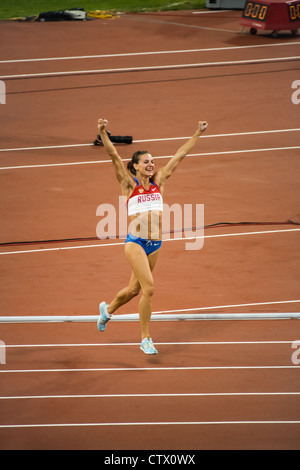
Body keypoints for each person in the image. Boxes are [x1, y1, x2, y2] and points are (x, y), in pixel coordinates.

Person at [97, 118, 208, 354]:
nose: (151, 164)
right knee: (149, 289)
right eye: (145, 162)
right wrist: (102, 132)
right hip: (135, 243)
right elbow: (114, 156)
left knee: (133, 290)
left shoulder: (159, 182)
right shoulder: (129, 185)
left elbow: (179, 156)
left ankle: (107, 311)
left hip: (155, 244)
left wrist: (197, 132)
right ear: (135, 166)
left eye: (152, 161)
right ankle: (145, 338)